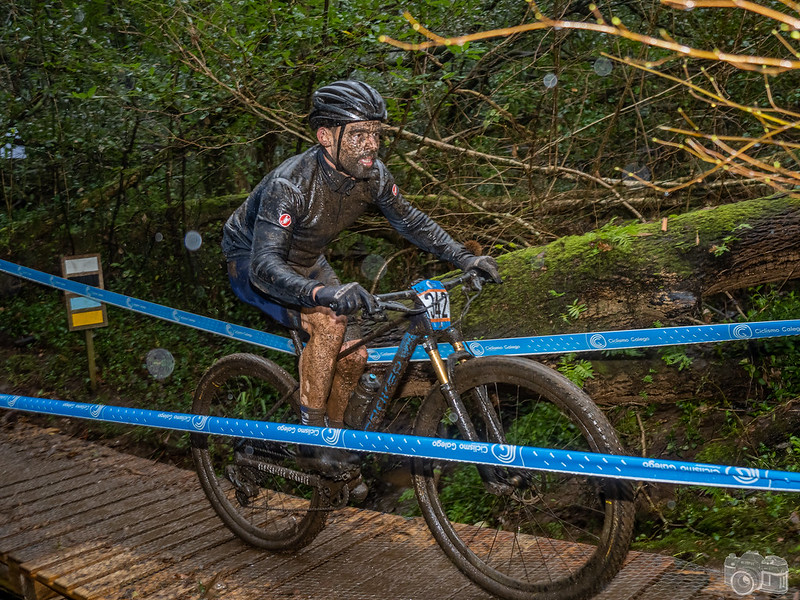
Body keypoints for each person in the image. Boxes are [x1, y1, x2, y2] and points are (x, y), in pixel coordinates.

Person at [221, 80, 500, 472]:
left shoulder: (373, 176)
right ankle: (310, 441)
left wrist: (464, 258)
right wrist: (321, 293)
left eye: (376, 134)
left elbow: (412, 221)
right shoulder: (290, 185)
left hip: (307, 257)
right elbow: (266, 266)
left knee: (356, 357)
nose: (370, 145)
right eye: (357, 134)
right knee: (329, 320)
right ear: (325, 136)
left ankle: (335, 441)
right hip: (251, 261)